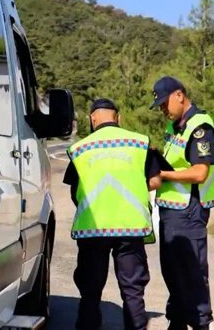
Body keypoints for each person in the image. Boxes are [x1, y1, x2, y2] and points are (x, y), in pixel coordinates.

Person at [63, 98, 165, 330]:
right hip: (131, 226)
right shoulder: (139, 143)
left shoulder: (80, 149)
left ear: (92, 118)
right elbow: (155, 181)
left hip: (93, 227)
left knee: (90, 290)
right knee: (133, 291)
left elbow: (75, 190)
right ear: (118, 117)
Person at [149, 76, 214, 330]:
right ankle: (177, 321)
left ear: (179, 95)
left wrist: (163, 174)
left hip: (189, 211)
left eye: (164, 103)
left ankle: (200, 324)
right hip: (171, 211)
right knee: (173, 272)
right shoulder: (175, 126)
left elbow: (200, 172)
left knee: (192, 274)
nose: (163, 109)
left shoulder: (200, 127)